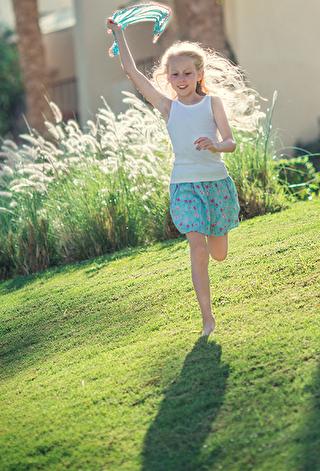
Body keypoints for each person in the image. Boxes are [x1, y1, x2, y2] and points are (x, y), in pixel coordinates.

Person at [106, 17, 256, 336]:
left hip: (216, 184)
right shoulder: (167, 107)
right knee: (198, 250)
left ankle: (215, 255)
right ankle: (207, 319)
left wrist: (216, 145)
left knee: (219, 254)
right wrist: (119, 33)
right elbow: (132, 71)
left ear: (199, 74)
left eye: (188, 73)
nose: (181, 79)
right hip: (184, 186)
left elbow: (230, 142)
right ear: (168, 78)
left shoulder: (212, 103)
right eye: (175, 74)